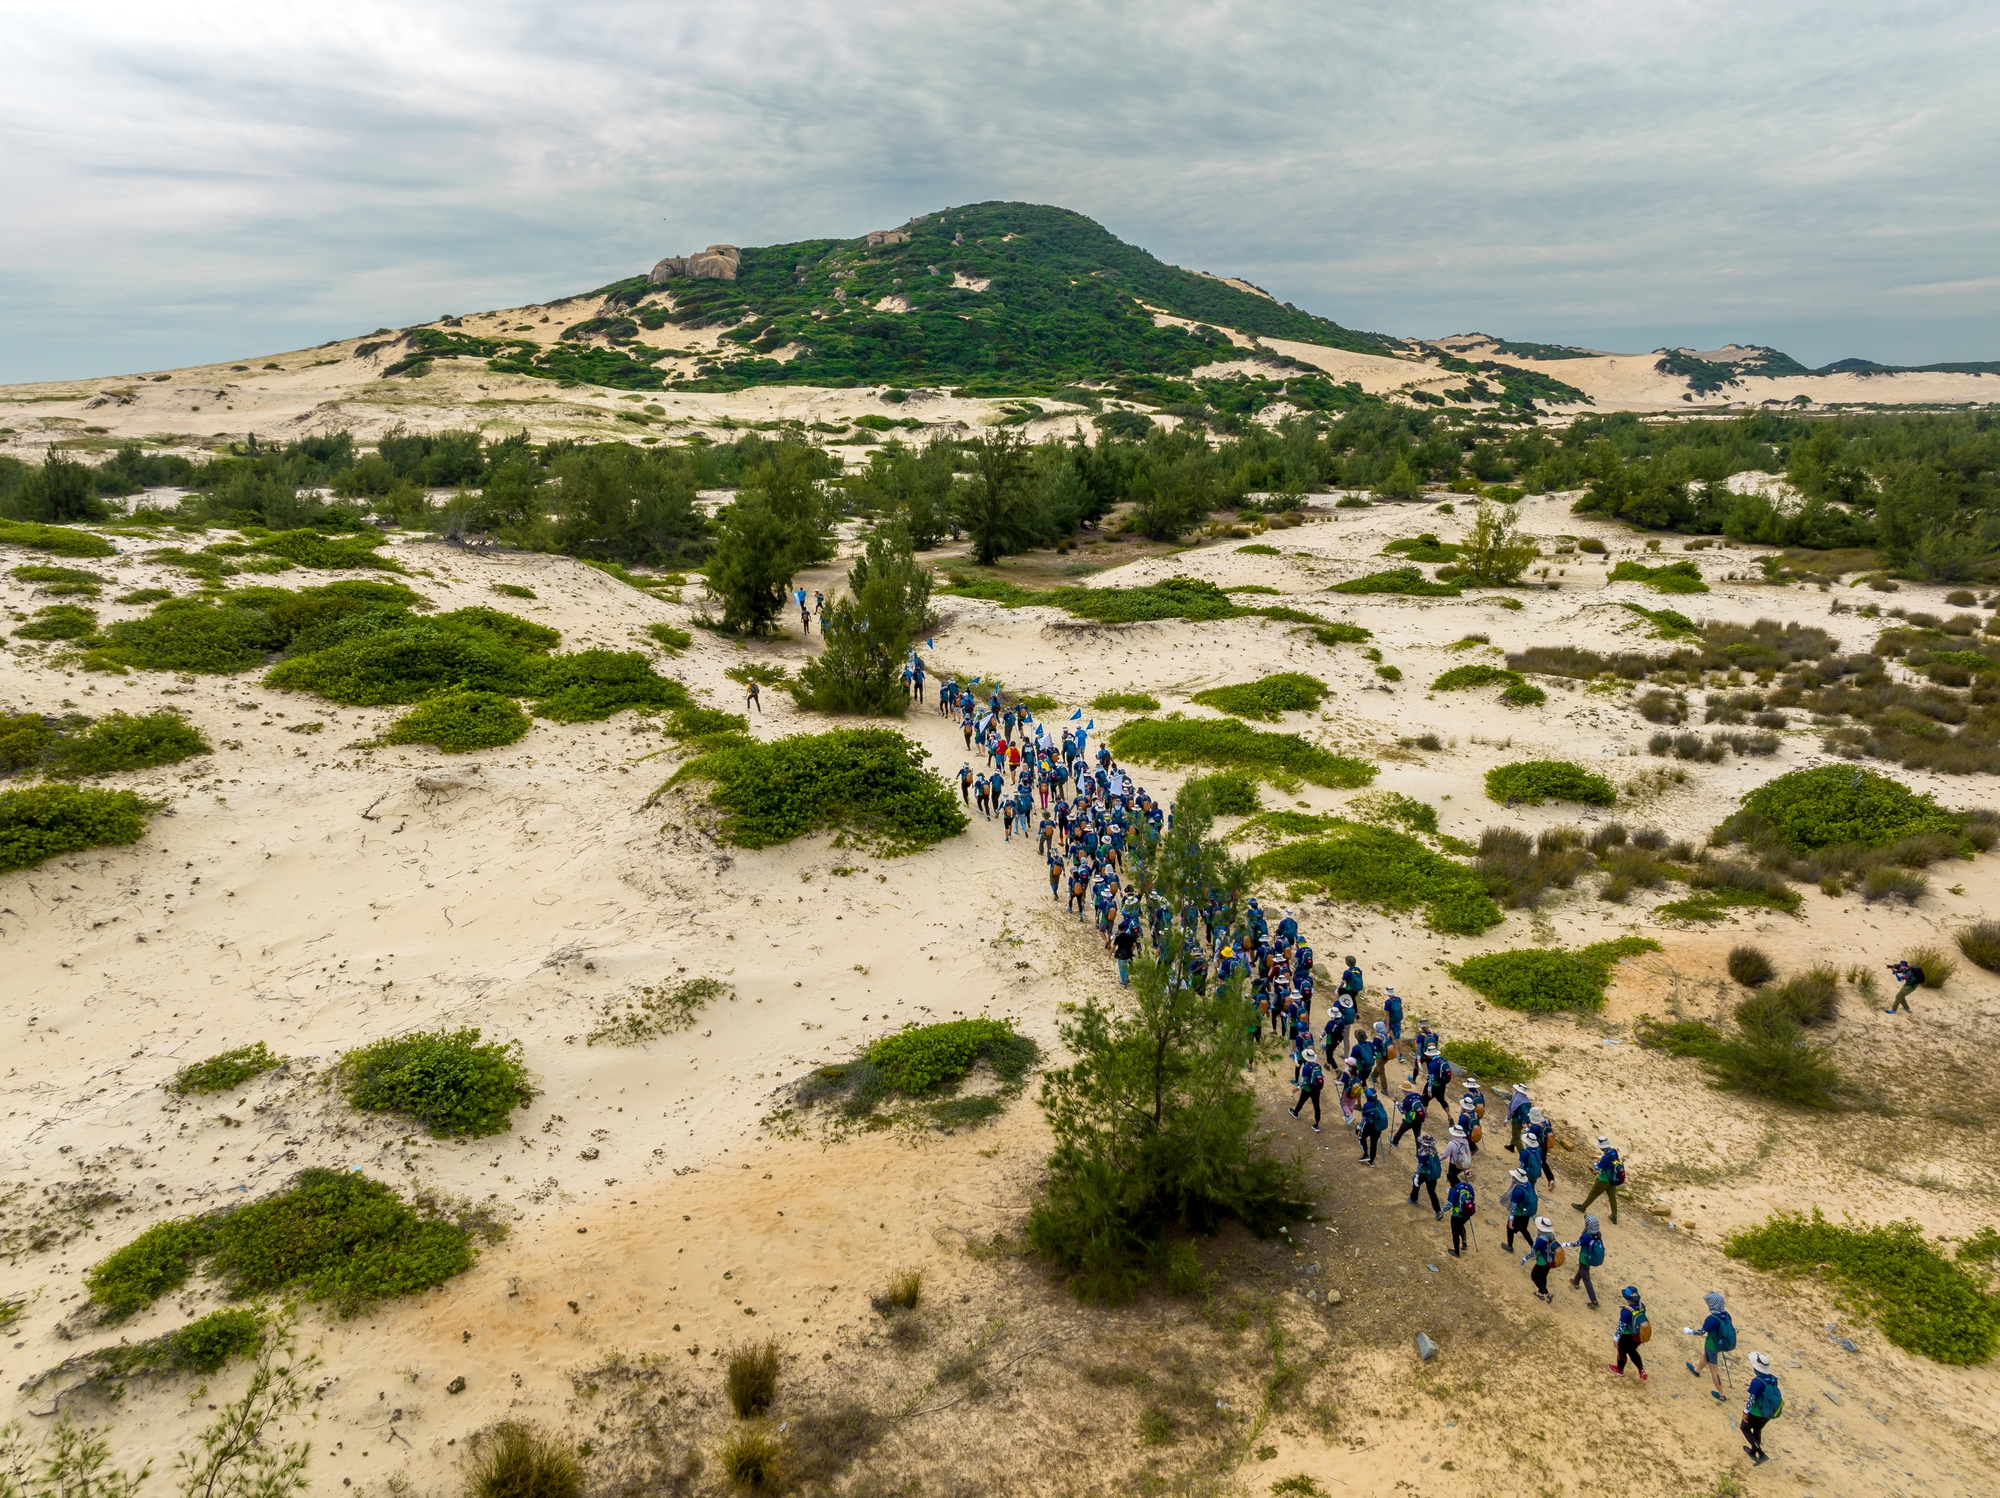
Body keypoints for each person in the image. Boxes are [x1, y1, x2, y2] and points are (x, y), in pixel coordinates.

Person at [1683, 1291, 1735, 1401]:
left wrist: (1690, 1331)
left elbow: (1701, 1332)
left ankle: (1721, 1394)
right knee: (1704, 1355)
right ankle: (1696, 1370)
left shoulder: (1711, 1319)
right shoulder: (1726, 1315)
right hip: (1721, 1343)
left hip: (1712, 1346)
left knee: (1714, 1370)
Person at [1741, 1352, 1781, 1464]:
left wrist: (1745, 1411)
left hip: (1756, 1412)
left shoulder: (1756, 1382)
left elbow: (1751, 1399)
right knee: (1757, 1430)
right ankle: (1753, 1452)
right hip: (1768, 1411)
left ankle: (1761, 1454)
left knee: (1744, 1428)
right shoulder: (1773, 1379)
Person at [1573, 1136, 1624, 1224]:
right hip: (1613, 1179)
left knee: (1593, 1193)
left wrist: (1595, 1162)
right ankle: (1614, 1217)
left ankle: (1583, 1207)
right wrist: (1597, 1157)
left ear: (1602, 1146)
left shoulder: (1605, 1158)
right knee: (1612, 1198)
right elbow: (1608, 1159)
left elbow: (1597, 1168)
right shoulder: (1614, 1151)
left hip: (1603, 1180)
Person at [1566, 1214, 1605, 1308]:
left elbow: (1576, 1244)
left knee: (1586, 1278)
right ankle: (1575, 1281)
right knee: (1583, 1269)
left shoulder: (1586, 1236)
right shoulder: (1598, 1233)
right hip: (1591, 1256)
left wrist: (1566, 1244)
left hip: (1585, 1257)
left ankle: (1594, 1301)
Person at [1611, 1285, 1650, 1379]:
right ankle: (1641, 1370)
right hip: (1639, 1335)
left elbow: (1621, 1326)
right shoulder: (1642, 1306)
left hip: (1627, 1336)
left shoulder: (1626, 1311)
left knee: (1622, 1351)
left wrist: (1616, 1339)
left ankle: (1619, 1370)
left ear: (1627, 1298)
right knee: (1632, 1351)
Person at [1521, 1216, 1559, 1303]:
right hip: (1550, 1260)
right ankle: (1541, 1293)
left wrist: (1524, 1259)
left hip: (1541, 1261)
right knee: (1542, 1276)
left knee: (1534, 1276)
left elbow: (1533, 1251)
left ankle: (1546, 1293)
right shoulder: (1551, 1236)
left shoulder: (1540, 1240)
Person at [1503, 1167, 1538, 1251]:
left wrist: (1511, 1220)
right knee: (1524, 1229)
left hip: (1518, 1214)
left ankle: (1510, 1246)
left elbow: (1513, 1206)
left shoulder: (1517, 1191)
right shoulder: (1530, 1184)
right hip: (1527, 1212)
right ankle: (1533, 1246)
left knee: (1510, 1229)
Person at [1410, 1132, 1443, 1218]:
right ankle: (1438, 1211)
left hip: (1423, 1173)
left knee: (1416, 1184)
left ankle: (1413, 1199)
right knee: (1432, 1192)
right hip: (1432, 1174)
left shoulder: (1422, 1151)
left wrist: (1417, 1175)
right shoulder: (1434, 1150)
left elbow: (1420, 1165)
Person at [1291, 1047, 1325, 1131]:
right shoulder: (1318, 1066)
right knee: (1317, 1107)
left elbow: (1305, 1081)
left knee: (1301, 1101)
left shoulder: (1306, 1068)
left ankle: (1295, 1113)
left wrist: (1298, 1087)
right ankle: (1316, 1125)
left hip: (1307, 1089)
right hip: (1316, 1089)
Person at [1446, 1170, 1475, 1257]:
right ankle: (1464, 1243)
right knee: (1461, 1226)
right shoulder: (1468, 1186)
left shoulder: (1453, 1190)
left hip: (1457, 1215)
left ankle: (1456, 1252)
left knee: (1455, 1232)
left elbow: (1449, 1205)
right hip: (1468, 1212)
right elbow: (1473, 1198)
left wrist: (1442, 1211)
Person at [1357, 1087, 1388, 1165]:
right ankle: (1371, 1161)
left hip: (1369, 1125)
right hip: (1378, 1126)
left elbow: (1364, 1118)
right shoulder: (1379, 1103)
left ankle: (1366, 1154)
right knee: (1373, 1143)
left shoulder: (1366, 1105)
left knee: (1361, 1138)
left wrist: (1358, 1127)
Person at [1113, 917, 1140, 985]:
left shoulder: (1118, 937)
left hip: (1121, 955)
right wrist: (1131, 950)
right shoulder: (1129, 936)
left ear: (1119, 929)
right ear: (1125, 929)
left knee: (1122, 969)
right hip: (1128, 954)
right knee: (1126, 968)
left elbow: (1113, 946)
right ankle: (1127, 978)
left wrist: (1110, 954)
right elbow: (1134, 945)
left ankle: (1123, 982)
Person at [1506, 1084, 1532, 1152]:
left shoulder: (1517, 1100)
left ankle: (1522, 1154)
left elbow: (1512, 1111)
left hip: (1517, 1121)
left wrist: (1507, 1119)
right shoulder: (1527, 1101)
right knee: (1516, 1133)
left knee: (1516, 1137)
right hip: (1524, 1122)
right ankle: (1511, 1146)